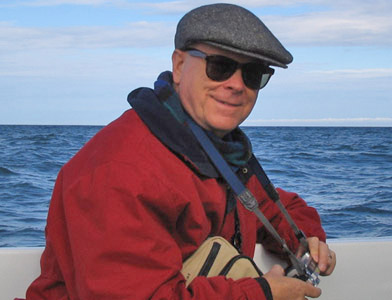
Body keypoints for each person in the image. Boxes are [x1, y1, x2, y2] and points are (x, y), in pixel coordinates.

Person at [22, 3, 336, 300]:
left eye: (253, 75)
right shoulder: (121, 170)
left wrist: (307, 240)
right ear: (180, 65)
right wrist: (261, 293)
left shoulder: (212, 152)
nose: (237, 84)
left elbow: (274, 206)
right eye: (220, 66)